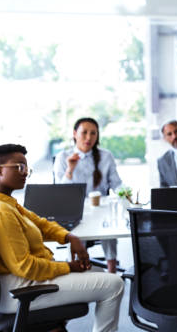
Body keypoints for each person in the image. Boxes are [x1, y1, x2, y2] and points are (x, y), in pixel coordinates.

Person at [0, 144, 124, 332]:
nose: (25, 172)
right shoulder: (1, 211)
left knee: (98, 273)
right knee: (115, 285)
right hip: (19, 289)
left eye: (27, 168)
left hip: (21, 282)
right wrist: (69, 267)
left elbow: (41, 224)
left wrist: (70, 237)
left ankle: (54, 326)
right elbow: (25, 267)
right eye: (19, 167)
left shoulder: (8, 203)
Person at [54, 117, 122, 273]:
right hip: (75, 209)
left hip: (100, 207)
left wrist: (126, 195)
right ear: (74, 134)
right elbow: (60, 192)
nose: (88, 137)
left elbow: (117, 184)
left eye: (93, 133)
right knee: (77, 232)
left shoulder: (106, 156)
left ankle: (112, 270)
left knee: (110, 225)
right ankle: (79, 267)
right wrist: (70, 169)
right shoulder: (63, 157)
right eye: (84, 132)